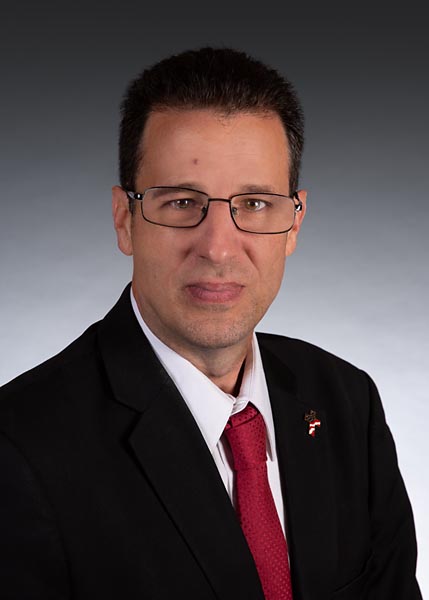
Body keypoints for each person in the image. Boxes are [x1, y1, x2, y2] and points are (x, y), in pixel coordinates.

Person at [0, 47, 421, 600]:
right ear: (125, 220)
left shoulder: (346, 402)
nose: (219, 249)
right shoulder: (19, 449)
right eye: (181, 202)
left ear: (294, 224)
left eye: (255, 203)